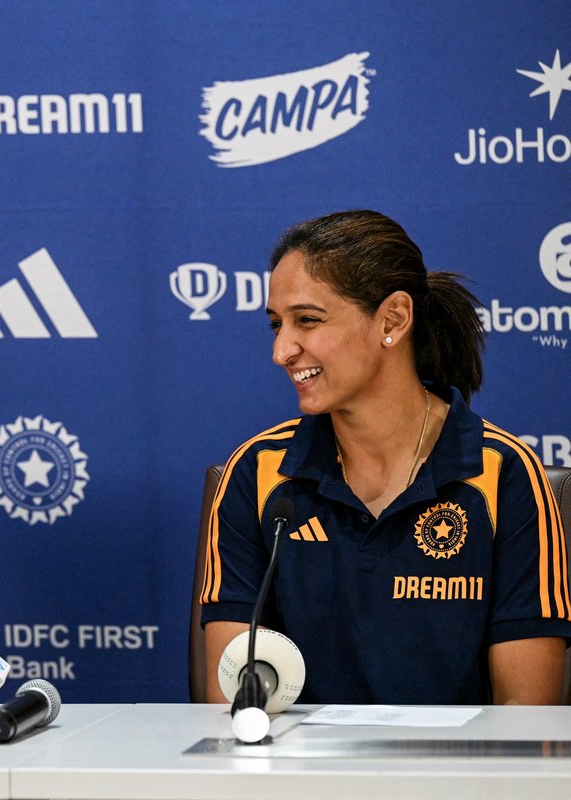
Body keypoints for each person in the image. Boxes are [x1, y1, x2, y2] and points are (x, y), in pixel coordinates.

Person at [200, 210, 571, 705]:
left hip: (458, 781)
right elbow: (229, 704)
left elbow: (527, 720)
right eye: (276, 324)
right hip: (300, 782)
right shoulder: (258, 471)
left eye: (307, 320)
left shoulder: (504, 472)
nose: (281, 350)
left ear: (393, 319)